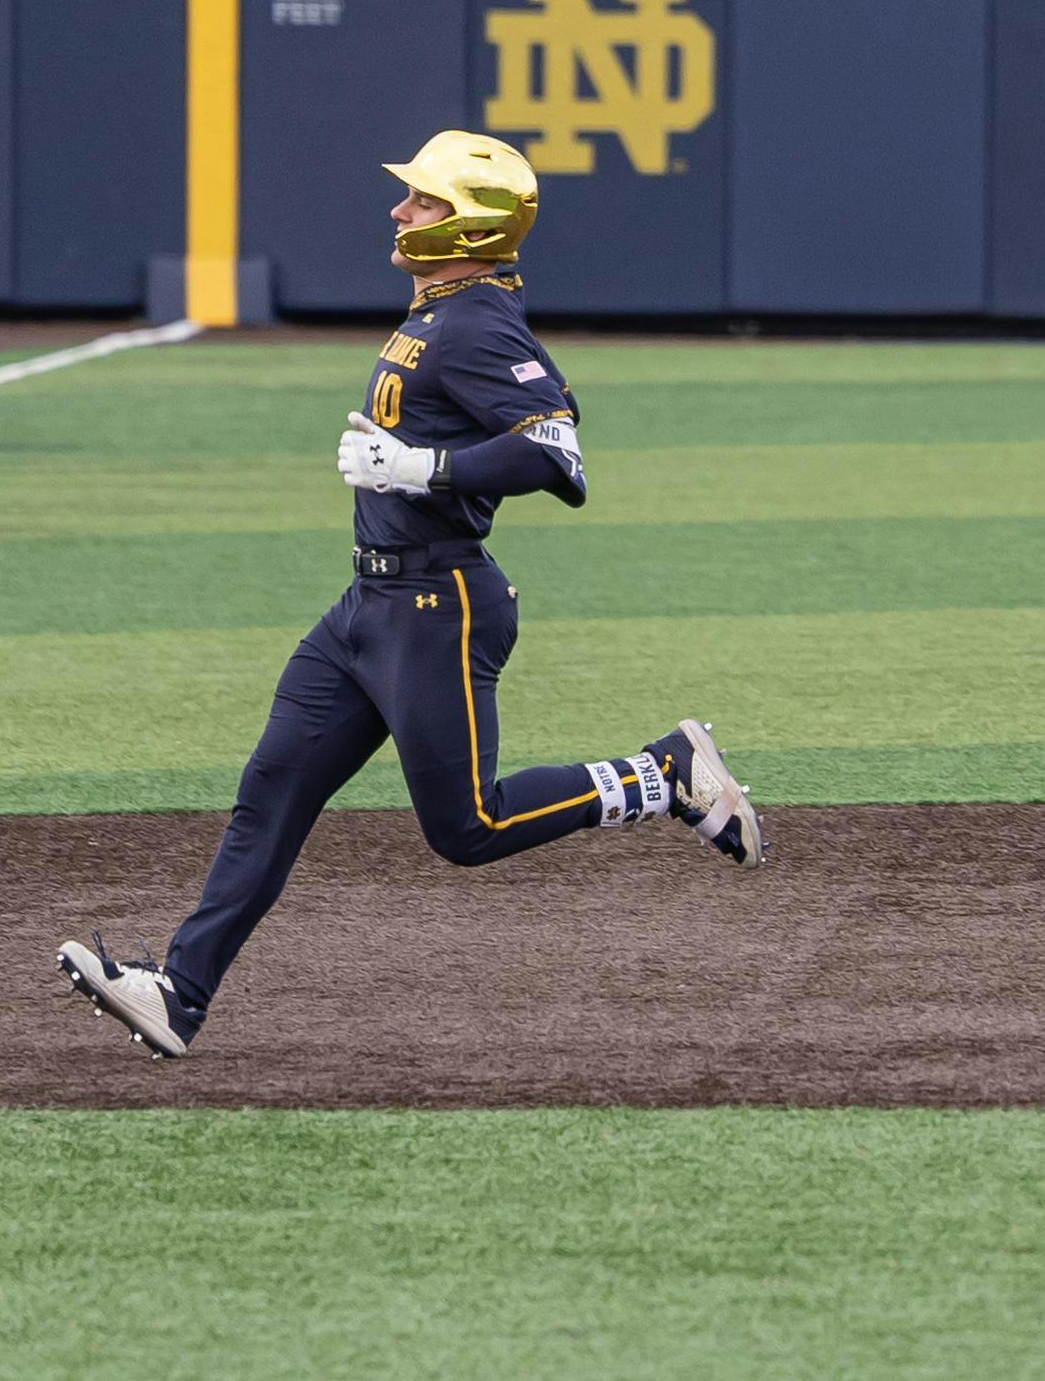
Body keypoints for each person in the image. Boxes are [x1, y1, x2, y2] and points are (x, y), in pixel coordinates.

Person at [57, 130, 763, 1059]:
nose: (400, 212)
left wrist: (425, 466)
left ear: (468, 226)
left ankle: (659, 775)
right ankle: (178, 993)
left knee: (470, 828)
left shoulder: (474, 319)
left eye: (423, 202)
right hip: (365, 611)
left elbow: (560, 454)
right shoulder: (442, 310)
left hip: (439, 607)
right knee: (269, 796)